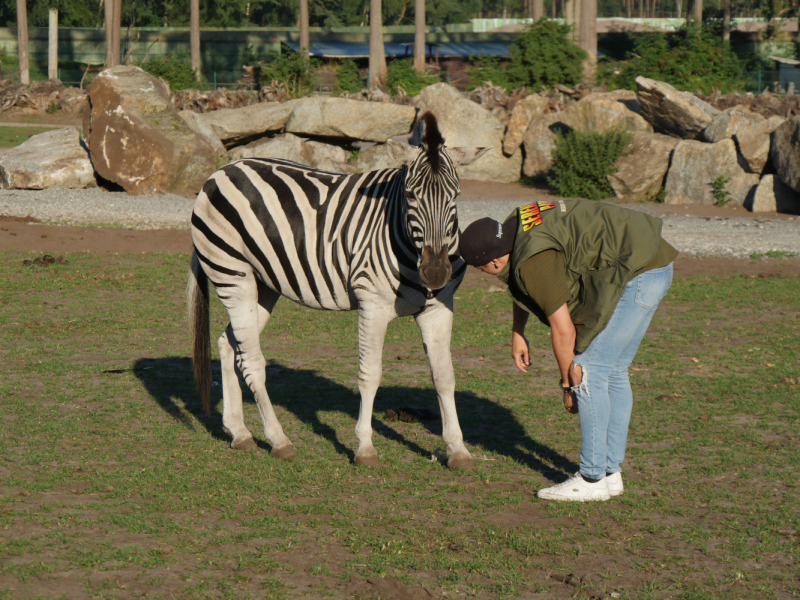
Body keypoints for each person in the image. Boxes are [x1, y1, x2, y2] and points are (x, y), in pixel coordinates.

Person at [459, 199, 677, 502]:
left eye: (481, 269)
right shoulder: (514, 225)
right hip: (652, 260)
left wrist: (568, 384)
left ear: (493, 262)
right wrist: (517, 331)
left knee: (587, 372)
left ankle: (591, 479)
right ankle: (610, 474)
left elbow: (564, 331)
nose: (486, 272)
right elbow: (521, 283)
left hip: (640, 272)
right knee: (612, 370)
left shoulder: (533, 261)